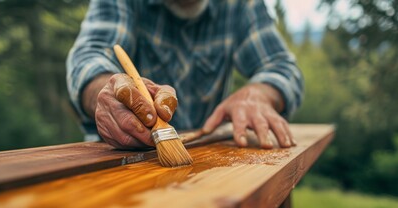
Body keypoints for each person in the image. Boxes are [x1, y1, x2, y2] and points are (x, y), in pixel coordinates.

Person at [66, 0, 303, 149]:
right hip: (119, 165)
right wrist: (105, 90)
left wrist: (258, 93)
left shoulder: (241, 5)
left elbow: (282, 67)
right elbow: (89, 56)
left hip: (205, 162)